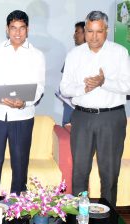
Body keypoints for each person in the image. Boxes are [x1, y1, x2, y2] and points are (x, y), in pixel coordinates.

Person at [60, 11, 130, 207]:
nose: (94, 36)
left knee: (109, 173)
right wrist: (84, 87)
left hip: (111, 117)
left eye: (99, 31)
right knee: (80, 172)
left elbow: (128, 86)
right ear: (85, 30)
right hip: (82, 118)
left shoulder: (120, 52)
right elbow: (64, 88)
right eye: (89, 31)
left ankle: (106, 221)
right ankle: (80, 218)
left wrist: (103, 82)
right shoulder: (74, 54)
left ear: (106, 30)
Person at [0, 10, 45, 196]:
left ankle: (18, 211)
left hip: (23, 116)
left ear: (27, 30)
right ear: (7, 29)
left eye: (22, 28)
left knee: (20, 164)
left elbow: (39, 87)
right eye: (13, 28)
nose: (17, 32)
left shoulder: (37, 55)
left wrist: (23, 102)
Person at [60, 21, 86, 126]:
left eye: (77, 32)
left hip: (82, 106)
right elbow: (65, 79)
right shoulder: (72, 54)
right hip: (69, 102)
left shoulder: (94, 55)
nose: (74, 35)